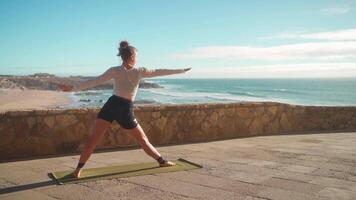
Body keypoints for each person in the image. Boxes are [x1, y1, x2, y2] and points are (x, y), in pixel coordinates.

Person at [59, 40, 191, 178]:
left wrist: (73, 89)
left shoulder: (115, 70)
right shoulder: (140, 71)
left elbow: (95, 81)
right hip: (124, 109)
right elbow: (159, 72)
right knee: (143, 140)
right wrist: (181, 71)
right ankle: (162, 161)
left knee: (93, 139)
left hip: (111, 105)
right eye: (137, 56)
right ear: (132, 56)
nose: (137, 59)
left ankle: (77, 170)